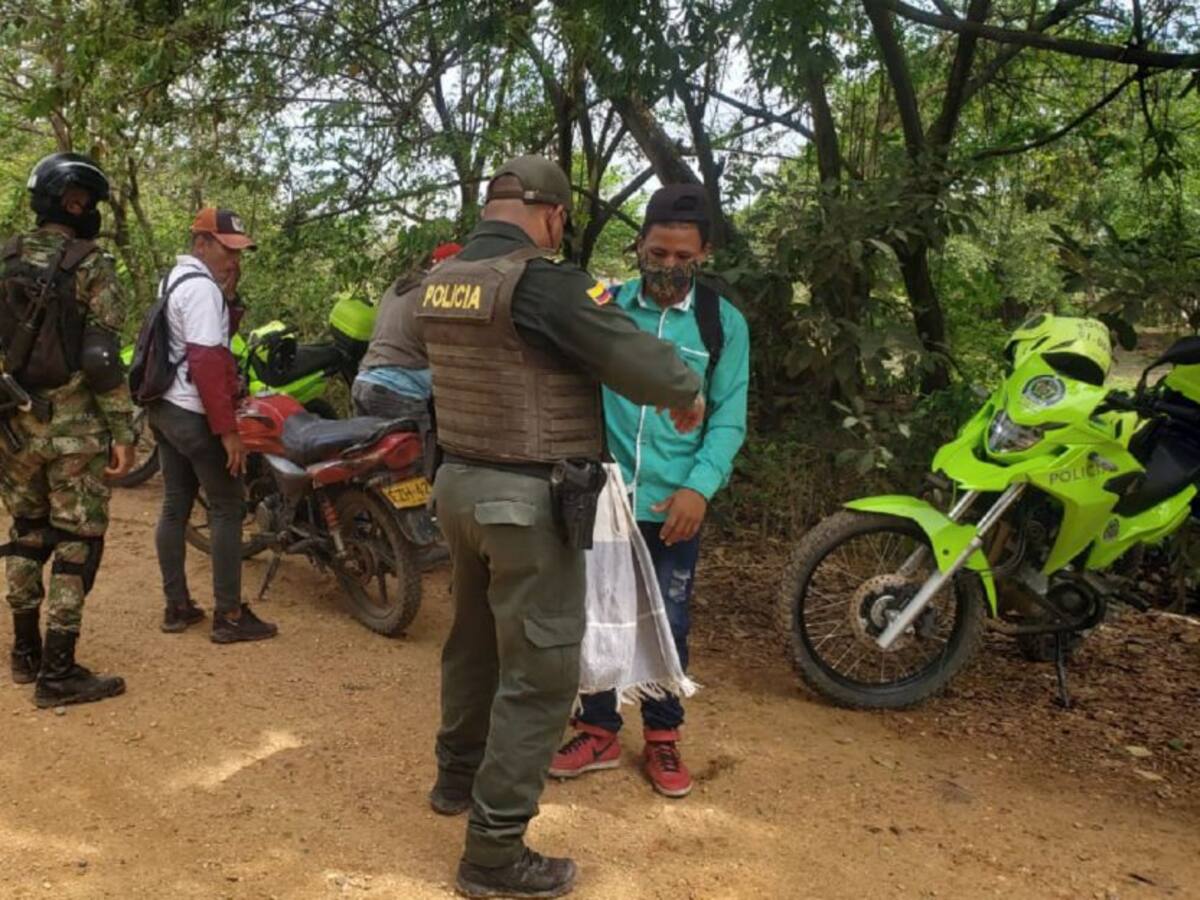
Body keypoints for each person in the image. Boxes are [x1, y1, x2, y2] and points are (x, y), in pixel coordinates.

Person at [420, 155, 705, 899]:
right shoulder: (543, 283)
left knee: (473, 642)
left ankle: (456, 779)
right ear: (551, 214)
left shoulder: (443, 279)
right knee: (542, 673)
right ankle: (493, 853)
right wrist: (686, 387)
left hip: (457, 487)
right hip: (524, 501)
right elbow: (643, 366)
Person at [550, 184, 750, 798]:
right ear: (639, 245)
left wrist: (700, 488)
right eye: (658, 253)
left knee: (670, 617)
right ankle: (598, 729)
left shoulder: (723, 324)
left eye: (683, 257)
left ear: (704, 254)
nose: (668, 266)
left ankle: (663, 737)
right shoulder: (606, 307)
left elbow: (728, 417)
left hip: (673, 502)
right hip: (602, 495)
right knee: (595, 612)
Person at [0, 152, 135, 707]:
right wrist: (123, 430)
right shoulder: (91, 264)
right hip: (74, 431)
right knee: (78, 542)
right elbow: (101, 360)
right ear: (76, 205)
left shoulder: (5, 256)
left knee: (27, 532)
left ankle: (24, 652)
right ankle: (58, 672)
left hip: (13, 428)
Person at [147, 208, 277, 643]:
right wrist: (228, 432)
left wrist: (230, 298)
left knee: (175, 505)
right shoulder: (202, 290)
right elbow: (206, 362)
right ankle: (230, 614)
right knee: (227, 507)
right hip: (194, 412)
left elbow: (208, 338)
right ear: (202, 244)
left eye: (239, 252)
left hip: (166, 408)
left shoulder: (175, 280)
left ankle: (177, 606)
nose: (234, 259)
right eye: (227, 250)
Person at [353, 242, 462, 568]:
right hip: (398, 392)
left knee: (373, 469)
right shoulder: (436, 294)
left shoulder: (399, 287)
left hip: (365, 383)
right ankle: (420, 546)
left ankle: (374, 536)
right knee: (414, 468)